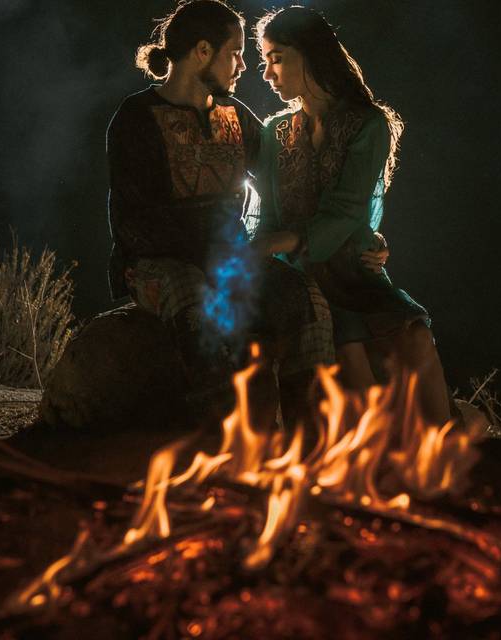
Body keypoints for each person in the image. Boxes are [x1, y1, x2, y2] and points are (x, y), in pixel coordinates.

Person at [106, 0, 336, 430]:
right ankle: (221, 445)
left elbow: (286, 180)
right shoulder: (135, 120)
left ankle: (311, 447)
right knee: (198, 302)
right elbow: (134, 222)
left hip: (227, 260)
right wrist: (214, 256)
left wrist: (354, 228)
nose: (243, 66)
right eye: (236, 53)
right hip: (159, 265)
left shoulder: (236, 118)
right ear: (202, 52)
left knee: (306, 299)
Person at [252, 6, 455, 427]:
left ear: (309, 53)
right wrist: (272, 249)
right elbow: (267, 217)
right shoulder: (275, 132)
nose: (268, 74)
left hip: (355, 272)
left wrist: (294, 239)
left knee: (414, 335)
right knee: (348, 344)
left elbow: (347, 209)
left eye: (276, 58)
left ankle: (453, 451)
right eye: (264, 61)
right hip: (300, 276)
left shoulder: (368, 125)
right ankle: (376, 467)